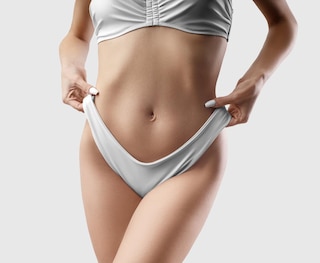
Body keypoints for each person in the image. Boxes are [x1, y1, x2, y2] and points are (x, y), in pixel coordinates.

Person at [58, 0, 297, 261]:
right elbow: (78, 35)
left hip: (192, 151)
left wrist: (256, 80)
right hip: (104, 146)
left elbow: (283, 23)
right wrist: (70, 67)